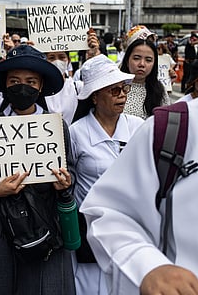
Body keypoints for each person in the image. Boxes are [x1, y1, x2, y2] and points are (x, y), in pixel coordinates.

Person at [79, 0, 198, 295]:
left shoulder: (156, 96)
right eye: (136, 58)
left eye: (148, 59)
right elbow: (109, 213)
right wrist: (148, 265)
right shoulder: (173, 127)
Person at [0, 44, 76, 295]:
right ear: (5, 84)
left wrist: (63, 183)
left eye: (30, 81)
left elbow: (69, 167)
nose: (22, 86)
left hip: (44, 224)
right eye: (14, 80)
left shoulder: (56, 127)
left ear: (40, 87)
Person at [69, 54, 144, 295]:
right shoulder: (75, 133)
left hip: (129, 226)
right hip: (89, 231)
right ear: (94, 97)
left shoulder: (139, 127)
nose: (122, 94)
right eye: (114, 90)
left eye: (124, 89)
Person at [120, 38, 170, 119]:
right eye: (136, 58)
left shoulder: (159, 90)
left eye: (148, 60)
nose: (142, 64)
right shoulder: (114, 87)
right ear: (127, 61)